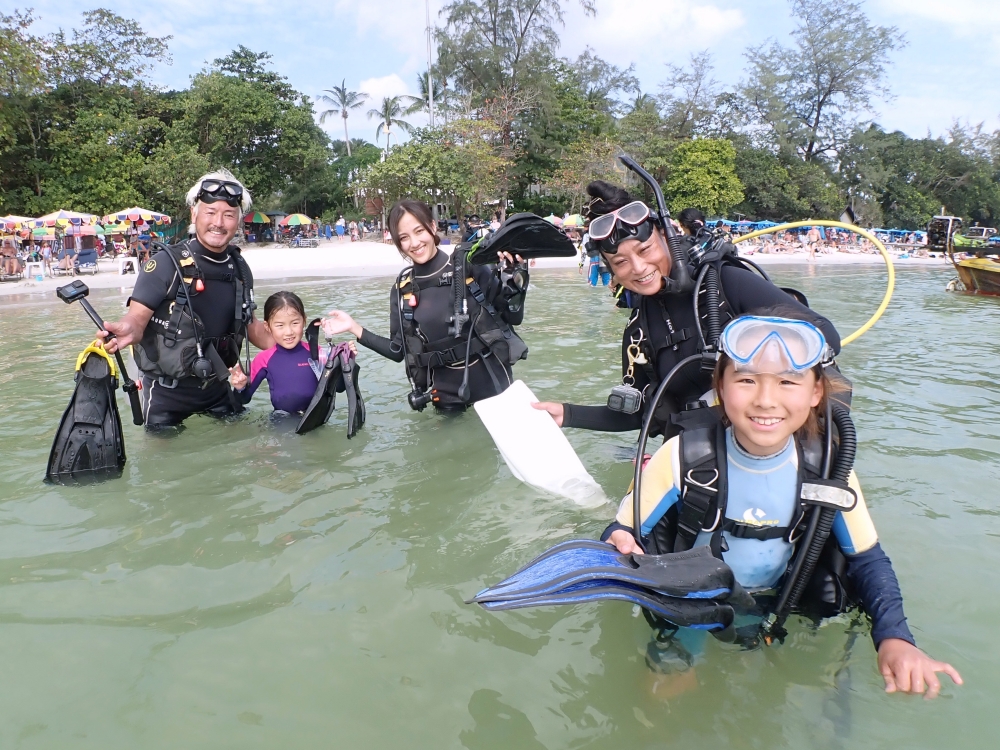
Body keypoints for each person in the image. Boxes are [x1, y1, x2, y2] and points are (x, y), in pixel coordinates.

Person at [602, 312, 963, 697]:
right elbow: (621, 530)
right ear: (720, 387)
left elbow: (867, 558)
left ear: (816, 394)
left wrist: (895, 636)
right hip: (693, 610)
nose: (765, 400)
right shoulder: (681, 456)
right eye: (745, 380)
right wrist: (616, 542)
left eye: (788, 382)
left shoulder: (828, 467)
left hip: (780, 606)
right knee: (661, 704)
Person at [532, 179, 840, 440]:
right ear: (610, 270)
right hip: (697, 463)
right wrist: (566, 414)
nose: (639, 268)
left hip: (775, 445)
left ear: (668, 238)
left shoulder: (724, 283)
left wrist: (752, 349)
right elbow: (639, 413)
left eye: (645, 250)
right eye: (621, 262)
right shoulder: (639, 330)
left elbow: (826, 335)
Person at [97, 169, 272, 428]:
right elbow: (136, 319)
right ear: (194, 214)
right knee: (163, 465)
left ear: (238, 220)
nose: (219, 223)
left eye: (228, 215)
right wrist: (126, 330)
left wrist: (307, 349)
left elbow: (252, 326)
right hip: (166, 393)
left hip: (217, 387)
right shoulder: (166, 264)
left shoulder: (239, 267)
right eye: (210, 212)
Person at [323, 199, 529, 412]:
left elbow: (514, 318)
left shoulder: (469, 268)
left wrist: (515, 280)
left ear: (432, 226)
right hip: (445, 394)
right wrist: (353, 327)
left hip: (493, 384)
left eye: (418, 231)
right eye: (404, 237)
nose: (414, 243)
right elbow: (397, 351)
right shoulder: (403, 289)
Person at [230, 291, 356, 414]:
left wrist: (347, 362)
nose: (289, 332)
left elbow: (339, 388)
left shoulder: (315, 351)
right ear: (267, 326)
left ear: (304, 321)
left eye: (295, 323)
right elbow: (244, 399)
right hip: (281, 421)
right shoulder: (264, 359)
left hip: (315, 418)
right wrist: (240, 387)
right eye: (280, 325)